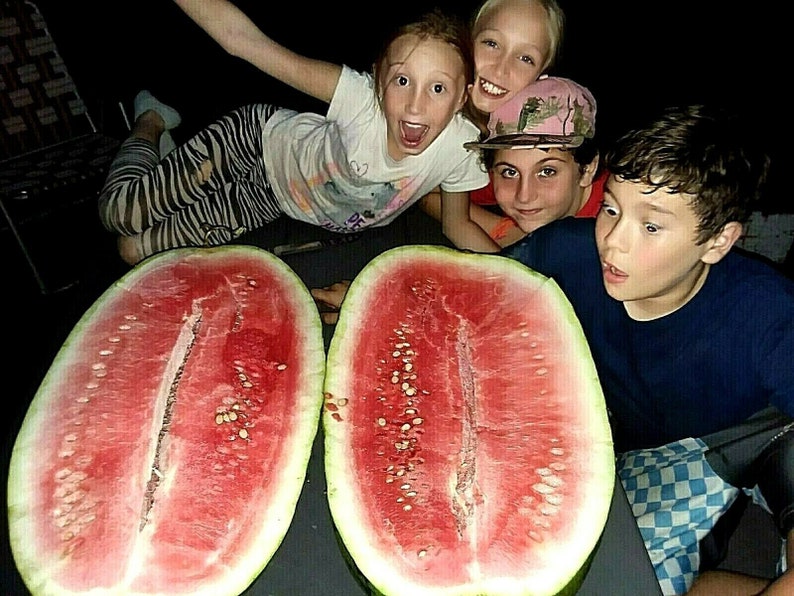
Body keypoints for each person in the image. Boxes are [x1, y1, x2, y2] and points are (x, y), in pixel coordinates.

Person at [313, 104, 794, 596]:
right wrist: (374, 299)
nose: (613, 244)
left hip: (715, 445)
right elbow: (479, 299)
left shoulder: (767, 315)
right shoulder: (562, 250)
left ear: (717, 242)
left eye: (651, 227)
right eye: (611, 209)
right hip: (611, 431)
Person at [98, 2, 494, 265]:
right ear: (378, 81)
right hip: (252, 142)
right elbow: (246, 43)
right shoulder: (358, 99)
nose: (415, 104)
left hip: (266, 199)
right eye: (402, 80)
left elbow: (456, 225)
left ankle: (167, 161)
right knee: (118, 213)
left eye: (438, 88)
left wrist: (528, 281)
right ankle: (150, 121)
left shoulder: (459, 149)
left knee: (133, 250)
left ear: (463, 96)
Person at [420, 0, 567, 243]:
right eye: (491, 43)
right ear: (466, 42)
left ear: (541, 78)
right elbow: (423, 194)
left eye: (525, 58)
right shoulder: (427, 108)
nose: (501, 69)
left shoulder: (541, 134)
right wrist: (504, 231)